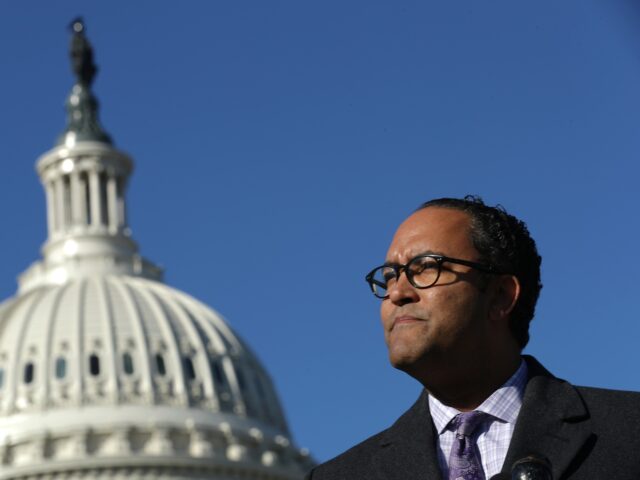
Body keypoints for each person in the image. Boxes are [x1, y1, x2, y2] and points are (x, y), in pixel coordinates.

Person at [306, 196, 640, 480]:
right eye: (391, 275)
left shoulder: (628, 430)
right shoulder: (343, 474)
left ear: (500, 296)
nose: (396, 292)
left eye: (425, 267)